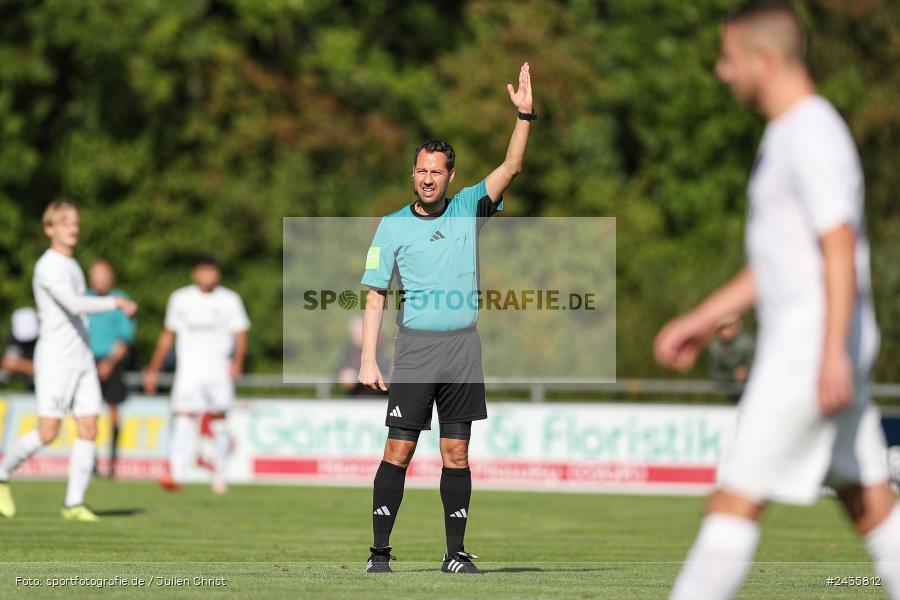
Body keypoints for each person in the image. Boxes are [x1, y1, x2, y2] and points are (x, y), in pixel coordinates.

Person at [653, 3, 899, 598]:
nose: (722, 71)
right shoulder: (788, 132)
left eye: (729, 59)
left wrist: (833, 352)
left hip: (808, 349)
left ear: (764, 60)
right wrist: (705, 317)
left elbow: (838, 245)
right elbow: (780, 263)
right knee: (871, 503)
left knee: (734, 500)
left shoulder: (810, 131)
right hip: (819, 344)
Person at [358, 63, 534, 574]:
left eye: (436, 171)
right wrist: (368, 358)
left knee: (456, 452)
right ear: (412, 173)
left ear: (450, 176)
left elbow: (513, 165)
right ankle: (379, 554)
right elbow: (374, 294)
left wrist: (525, 116)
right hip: (415, 349)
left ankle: (455, 554)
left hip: (462, 349)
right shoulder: (390, 227)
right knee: (399, 448)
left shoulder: (468, 208)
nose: (427, 178)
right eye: (420, 170)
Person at [0, 201, 137, 521]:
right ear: (49, 229)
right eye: (64, 223)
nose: (72, 228)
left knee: (89, 426)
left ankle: (73, 503)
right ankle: (3, 473)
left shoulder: (73, 264)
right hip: (56, 360)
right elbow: (75, 304)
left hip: (82, 358)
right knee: (48, 432)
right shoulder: (48, 266)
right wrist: (116, 301)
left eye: (74, 222)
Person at [143, 255, 250, 495]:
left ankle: (219, 474)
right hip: (189, 370)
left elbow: (240, 334)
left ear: (218, 274)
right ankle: (177, 474)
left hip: (218, 369)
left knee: (220, 420)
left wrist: (237, 361)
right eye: (203, 271)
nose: (208, 276)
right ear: (195, 273)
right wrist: (154, 367)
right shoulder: (180, 299)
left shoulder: (229, 300)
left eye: (212, 271)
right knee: (183, 417)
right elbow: (168, 335)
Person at [88, 258, 136, 478]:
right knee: (88, 413)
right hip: (86, 363)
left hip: (112, 362)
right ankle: (90, 462)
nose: (100, 279)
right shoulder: (83, 299)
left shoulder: (121, 300)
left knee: (113, 411)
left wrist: (108, 362)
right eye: (96, 274)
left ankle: (113, 464)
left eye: (103, 274)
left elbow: (124, 338)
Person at [334, 317, 389, 397]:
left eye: (361, 332)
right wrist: (344, 374)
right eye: (355, 333)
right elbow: (337, 371)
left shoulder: (380, 346)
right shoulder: (348, 349)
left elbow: (387, 369)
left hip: (381, 398)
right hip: (358, 399)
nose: (358, 336)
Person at [707, 315, 754, 401]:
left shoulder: (748, 343)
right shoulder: (715, 347)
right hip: (730, 391)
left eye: (729, 326)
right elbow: (716, 375)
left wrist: (746, 372)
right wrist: (733, 375)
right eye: (722, 328)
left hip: (754, 389)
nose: (726, 331)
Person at [1, 307, 39, 384]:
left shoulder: (46, 339)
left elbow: (50, 369)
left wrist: (20, 365)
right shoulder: (13, 340)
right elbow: (7, 365)